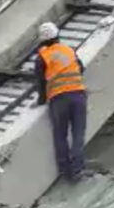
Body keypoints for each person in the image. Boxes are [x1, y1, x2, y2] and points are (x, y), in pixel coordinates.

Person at [33, 21, 88, 182]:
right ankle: (78, 170)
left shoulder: (42, 57)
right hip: (78, 95)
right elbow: (81, 69)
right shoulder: (69, 50)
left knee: (60, 135)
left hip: (59, 99)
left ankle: (65, 171)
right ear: (58, 35)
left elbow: (40, 81)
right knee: (78, 134)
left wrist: (42, 99)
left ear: (42, 40)